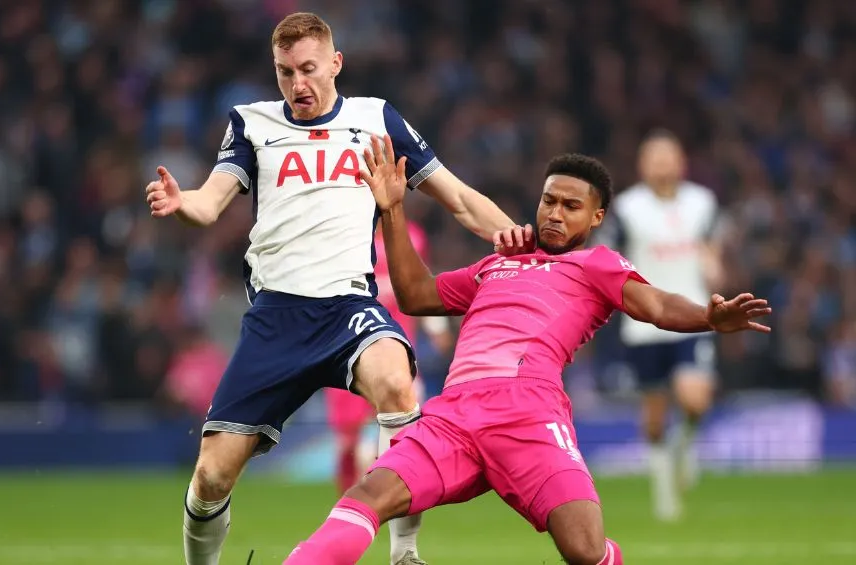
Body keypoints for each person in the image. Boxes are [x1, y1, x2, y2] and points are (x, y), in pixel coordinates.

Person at [143, 12, 520, 565]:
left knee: (397, 384)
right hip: (276, 318)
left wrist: (516, 238)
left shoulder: (376, 120)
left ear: (336, 63)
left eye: (308, 69)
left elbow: (459, 197)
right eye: (285, 72)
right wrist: (183, 203)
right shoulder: (251, 123)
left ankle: (405, 553)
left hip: (348, 308)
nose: (297, 83)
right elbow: (210, 200)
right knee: (211, 477)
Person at [284, 144, 772, 565]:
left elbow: (657, 306)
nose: (555, 214)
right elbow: (416, 295)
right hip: (454, 415)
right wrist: (393, 210)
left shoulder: (595, 264)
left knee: (584, 549)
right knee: (368, 495)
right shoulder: (497, 263)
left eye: (571, 206)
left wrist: (709, 317)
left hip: (529, 413)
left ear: (597, 217)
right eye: (549, 201)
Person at [597, 130, 724, 520]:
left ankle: (684, 445)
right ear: (642, 165)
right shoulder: (628, 208)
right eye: (654, 158)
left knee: (694, 399)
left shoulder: (702, 202)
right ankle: (665, 494)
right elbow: (609, 256)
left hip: (693, 314)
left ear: (681, 162)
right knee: (654, 414)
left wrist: (714, 268)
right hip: (645, 322)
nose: (662, 165)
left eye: (668, 157)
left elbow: (711, 247)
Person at [324, 221, 452, 494]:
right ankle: (351, 499)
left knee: (403, 426)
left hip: (397, 350)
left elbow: (420, 280)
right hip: (347, 348)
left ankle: (392, 493)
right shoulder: (344, 230)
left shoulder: (412, 236)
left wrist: (436, 325)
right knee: (347, 440)